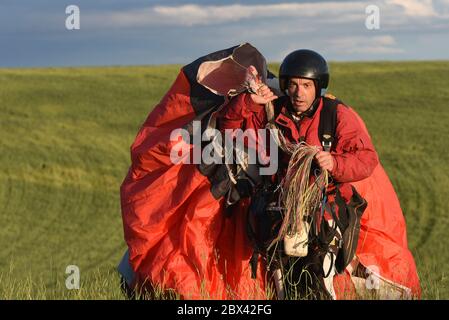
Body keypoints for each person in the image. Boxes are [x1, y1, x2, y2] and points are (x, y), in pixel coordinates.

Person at [217, 49, 421, 299]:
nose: (298, 92)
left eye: (306, 85)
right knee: (282, 281)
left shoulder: (336, 115)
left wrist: (335, 163)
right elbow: (228, 130)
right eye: (292, 85)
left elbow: (366, 159)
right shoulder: (271, 112)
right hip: (279, 207)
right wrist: (248, 103)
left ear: (318, 87)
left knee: (320, 277)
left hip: (326, 207)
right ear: (284, 86)